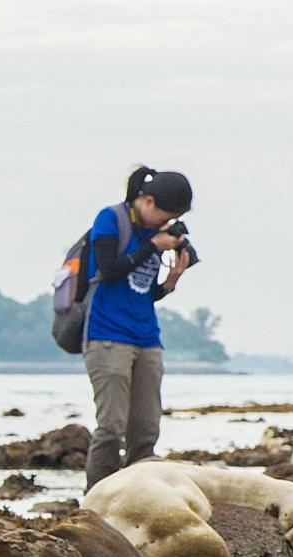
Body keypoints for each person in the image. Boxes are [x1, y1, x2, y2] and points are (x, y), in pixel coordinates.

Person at [82, 165, 195, 490]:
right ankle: (97, 500)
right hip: (106, 336)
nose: (166, 222)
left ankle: (137, 498)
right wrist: (152, 247)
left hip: (147, 337)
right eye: (165, 214)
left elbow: (143, 291)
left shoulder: (158, 235)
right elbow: (110, 270)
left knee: (145, 429)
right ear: (146, 200)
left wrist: (171, 281)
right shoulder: (111, 219)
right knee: (111, 428)